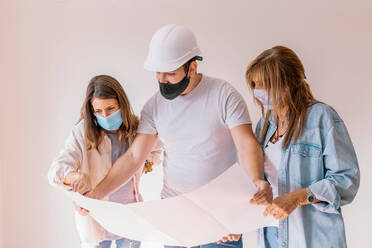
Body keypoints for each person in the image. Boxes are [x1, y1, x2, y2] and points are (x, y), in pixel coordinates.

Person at [84, 24, 273, 248]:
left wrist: (257, 181)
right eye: (158, 72)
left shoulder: (223, 95)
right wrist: (96, 195)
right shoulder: (154, 106)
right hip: (176, 214)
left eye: (171, 73)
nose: (162, 80)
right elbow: (134, 157)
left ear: (191, 68)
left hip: (221, 214)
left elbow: (246, 143)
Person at [245, 46, 360, 248]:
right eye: (255, 84)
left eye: (265, 84)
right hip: (272, 235)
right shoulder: (264, 125)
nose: (258, 91)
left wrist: (297, 198)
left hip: (313, 239)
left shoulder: (322, 117)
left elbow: (346, 180)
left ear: (287, 83)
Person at [48, 75, 162, 248]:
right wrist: (74, 177)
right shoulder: (82, 133)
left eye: (110, 108)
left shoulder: (137, 128)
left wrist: (144, 165)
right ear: (91, 110)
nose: (105, 116)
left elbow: (156, 149)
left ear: (121, 104)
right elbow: (55, 172)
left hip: (129, 218)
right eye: (98, 111)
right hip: (96, 221)